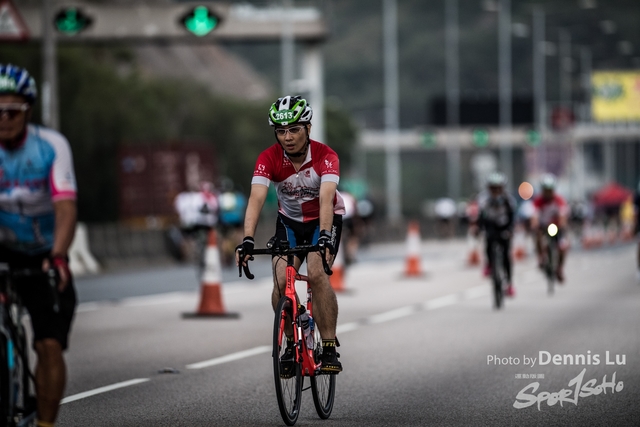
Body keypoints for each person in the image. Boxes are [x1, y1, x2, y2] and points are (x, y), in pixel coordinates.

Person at [236, 95, 345, 373]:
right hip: (289, 223)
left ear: (308, 128)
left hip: (324, 220)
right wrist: (247, 239)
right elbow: (256, 198)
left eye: (294, 129)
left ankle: (329, 347)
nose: (287, 137)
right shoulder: (268, 158)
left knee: (317, 273)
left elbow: (326, 199)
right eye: (281, 131)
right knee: (280, 281)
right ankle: (291, 341)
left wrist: (324, 236)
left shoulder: (326, 156)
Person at [0, 64, 77, 427]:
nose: (4, 119)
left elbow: (65, 208)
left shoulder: (51, 145)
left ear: (28, 110)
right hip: (3, 247)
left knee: (48, 344)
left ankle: (45, 424)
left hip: (44, 251)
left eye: (12, 111)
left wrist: (58, 256)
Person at [475, 172, 516, 297]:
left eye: (498, 188)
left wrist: (510, 230)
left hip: (504, 226)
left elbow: (512, 217)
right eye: (493, 188)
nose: (496, 191)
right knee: (488, 242)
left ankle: (509, 283)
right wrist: (478, 229)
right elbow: (481, 217)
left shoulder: (508, 200)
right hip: (491, 226)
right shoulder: (484, 199)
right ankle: (489, 264)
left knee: (506, 255)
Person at [531, 173, 570, 282]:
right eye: (546, 190)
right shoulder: (538, 201)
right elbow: (534, 215)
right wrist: (534, 224)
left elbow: (563, 214)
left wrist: (562, 224)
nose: (548, 192)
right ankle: (541, 256)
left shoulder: (559, 200)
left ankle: (559, 268)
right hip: (543, 227)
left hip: (556, 227)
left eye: (550, 190)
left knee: (562, 247)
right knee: (537, 236)